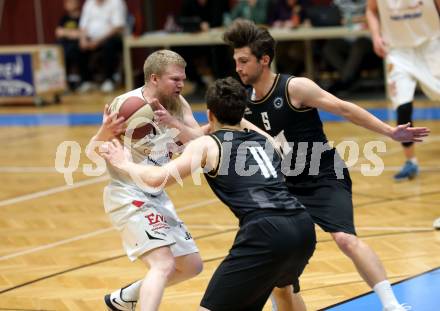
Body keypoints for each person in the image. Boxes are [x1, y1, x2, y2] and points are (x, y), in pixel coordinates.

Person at [223, 19, 429, 311]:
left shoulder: (295, 87)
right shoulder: (243, 102)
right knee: (277, 267)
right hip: (285, 186)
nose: (238, 68)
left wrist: (390, 132)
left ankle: (392, 305)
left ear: (264, 60)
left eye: (244, 61)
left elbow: (344, 108)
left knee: (345, 239)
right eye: (236, 61)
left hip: (323, 174)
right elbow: (214, 131)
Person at [101, 77, 317, 311]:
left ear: (210, 114)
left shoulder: (206, 145)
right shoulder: (266, 140)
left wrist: (124, 163)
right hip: (302, 226)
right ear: (242, 110)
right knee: (283, 291)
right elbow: (243, 126)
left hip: (265, 232)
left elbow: (156, 179)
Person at [88, 50, 204, 311]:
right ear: (154, 78)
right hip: (127, 194)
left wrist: (174, 123)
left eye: (182, 79)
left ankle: (125, 298)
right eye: (175, 79)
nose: (181, 84)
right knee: (162, 264)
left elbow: (201, 143)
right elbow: (92, 153)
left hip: (157, 193)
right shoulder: (126, 106)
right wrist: (104, 133)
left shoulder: (179, 104)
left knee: (192, 266)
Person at [366, 0, 440, 180]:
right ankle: (410, 161)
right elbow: (371, 10)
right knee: (403, 107)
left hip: (431, 45)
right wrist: (376, 36)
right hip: (398, 52)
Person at [322, 0, 381, 95]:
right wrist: (361, 19)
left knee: (359, 45)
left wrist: (352, 20)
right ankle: (350, 78)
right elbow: (334, 18)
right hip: (346, 37)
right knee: (329, 47)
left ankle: (344, 81)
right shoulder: (339, 2)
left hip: (367, 39)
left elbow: (373, 15)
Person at [78, 0, 127, 93]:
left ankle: (109, 80)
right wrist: (83, 40)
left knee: (109, 46)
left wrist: (99, 41)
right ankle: (87, 81)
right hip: (91, 38)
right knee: (78, 47)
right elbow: (83, 25)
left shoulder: (116, 2)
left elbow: (118, 27)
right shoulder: (89, 3)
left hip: (111, 37)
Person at [55, 0, 82, 90]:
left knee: (70, 50)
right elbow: (58, 32)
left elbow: (81, 33)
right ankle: (61, 81)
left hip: (77, 45)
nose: (68, 4)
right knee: (59, 50)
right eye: (67, 2)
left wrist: (66, 32)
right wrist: (72, 33)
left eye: (71, 2)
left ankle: (72, 79)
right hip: (64, 44)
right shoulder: (64, 18)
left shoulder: (82, 17)